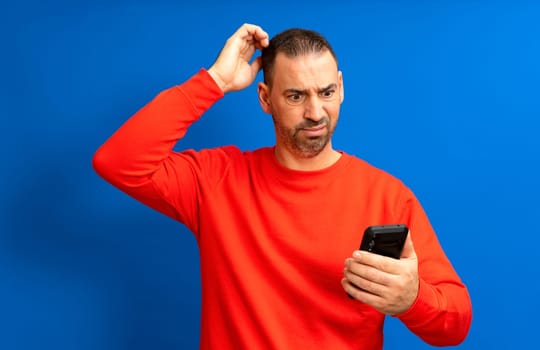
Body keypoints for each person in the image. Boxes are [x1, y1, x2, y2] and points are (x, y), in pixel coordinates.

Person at [93, 23, 472, 349]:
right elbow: (118, 161)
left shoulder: (387, 195)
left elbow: (455, 323)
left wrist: (412, 299)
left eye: (325, 92)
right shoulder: (215, 179)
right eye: (295, 96)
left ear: (340, 88)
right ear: (265, 98)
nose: (315, 113)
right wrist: (215, 81)